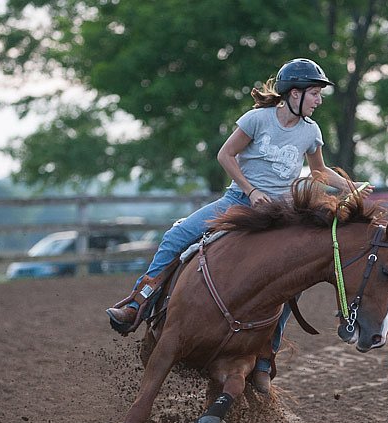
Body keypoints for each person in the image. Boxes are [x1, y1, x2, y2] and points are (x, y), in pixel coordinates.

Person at [106, 58, 373, 392]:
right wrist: (252, 190)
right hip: (238, 201)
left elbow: (318, 172)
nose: (319, 100)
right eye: (315, 93)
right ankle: (137, 303)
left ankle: (265, 356)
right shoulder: (257, 120)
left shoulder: (311, 131)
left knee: (295, 277)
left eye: (319, 94)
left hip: (282, 214)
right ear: (294, 93)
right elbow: (225, 156)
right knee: (178, 235)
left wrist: (349, 185)